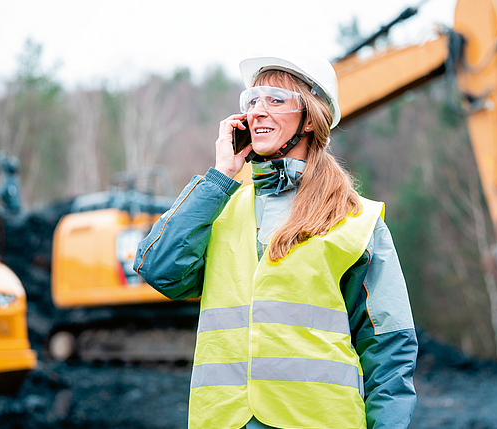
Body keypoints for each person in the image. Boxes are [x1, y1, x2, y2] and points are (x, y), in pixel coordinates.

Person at [134, 47, 417, 429]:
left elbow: (390, 349)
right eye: (252, 100)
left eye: (276, 99)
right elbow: (158, 269)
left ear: (310, 120)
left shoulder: (355, 220)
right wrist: (221, 174)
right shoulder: (220, 206)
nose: (257, 110)